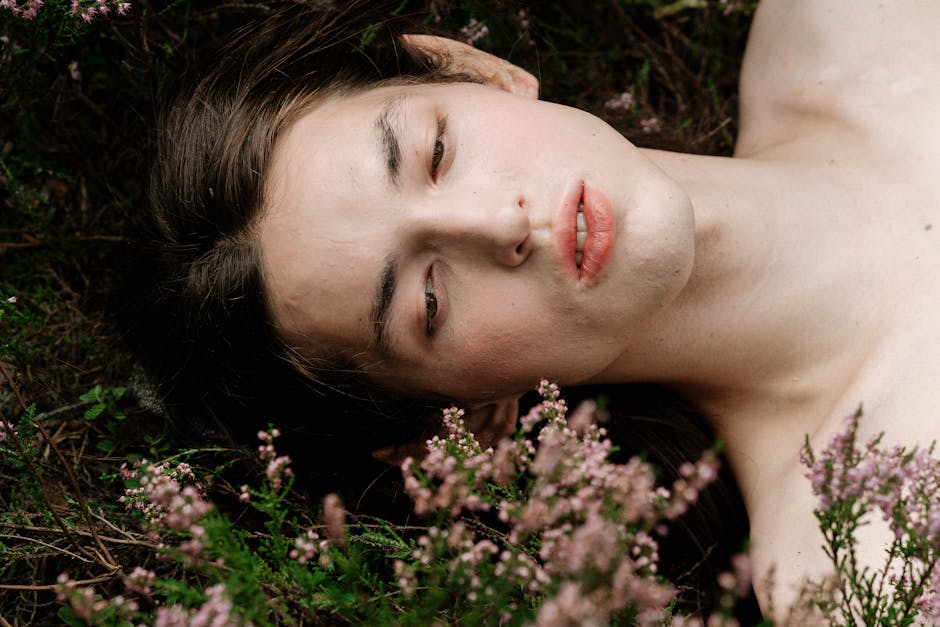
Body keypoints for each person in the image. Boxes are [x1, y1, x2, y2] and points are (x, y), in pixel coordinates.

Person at [138, 0, 940, 619]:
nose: (499, 225)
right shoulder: (871, 563)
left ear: (469, 65)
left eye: (436, 153)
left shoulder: (854, 20)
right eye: (428, 300)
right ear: (445, 426)